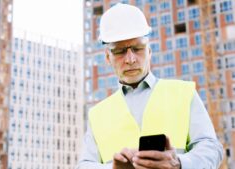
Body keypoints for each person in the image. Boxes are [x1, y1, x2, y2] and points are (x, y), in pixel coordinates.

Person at [76, 3, 223, 169]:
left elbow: (212, 149)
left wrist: (178, 163)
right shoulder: (97, 115)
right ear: (108, 57)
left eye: (138, 48)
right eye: (119, 51)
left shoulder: (183, 93)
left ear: (149, 52)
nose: (130, 59)